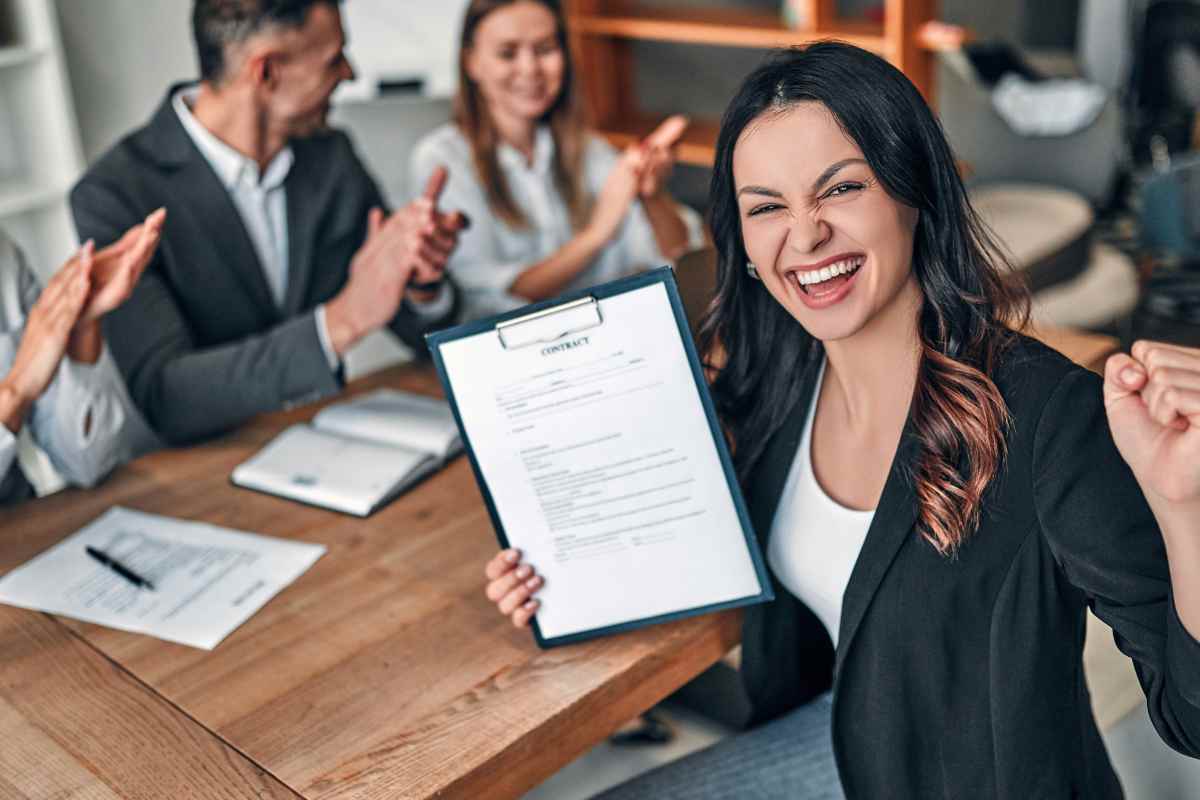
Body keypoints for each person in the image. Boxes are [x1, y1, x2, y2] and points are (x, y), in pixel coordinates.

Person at [483, 43, 1200, 798]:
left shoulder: (1049, 417)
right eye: (767, 207)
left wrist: (1185, 508)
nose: (805, 236)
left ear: (914, 191)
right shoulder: (777, 375)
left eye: (842, 188)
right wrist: (558, 571)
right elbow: (684, 533)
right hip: (848, 742)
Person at [71, 0, 466, 447]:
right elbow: (165, 395)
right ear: (267, 72)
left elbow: (420, 332)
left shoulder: (331, 156)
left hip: (333, 444)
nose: (349, 74)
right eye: (333, 59)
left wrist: (419, 281)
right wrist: (340, 322)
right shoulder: (115, 194)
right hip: (202, 467)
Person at [410, 0, 705, 322]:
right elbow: (503, 295)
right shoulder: (442, 159)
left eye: (545, 49)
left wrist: (653, 196)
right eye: (507, 53)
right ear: (472, 62)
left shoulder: (591, 150)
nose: (530, 69)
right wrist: (597, 232)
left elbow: (680, 253)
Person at [0, 212, 164, 503]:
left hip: (29, 519)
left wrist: (81, 327)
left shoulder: (5, 257)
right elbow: (22, 383)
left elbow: (87, 466)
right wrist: (16, 391)